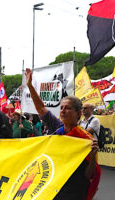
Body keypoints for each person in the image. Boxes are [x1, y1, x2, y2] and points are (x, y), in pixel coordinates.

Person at [25, 68, 100, 200]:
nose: (63, 111)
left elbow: (89, 175)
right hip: (56, 187)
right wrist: (30, 86)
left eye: (68, 108)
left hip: (75, 191)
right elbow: (41, 108)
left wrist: (93, 158)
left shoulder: (85, 140)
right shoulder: (58, 128)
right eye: (61, 108)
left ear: (78, 113)